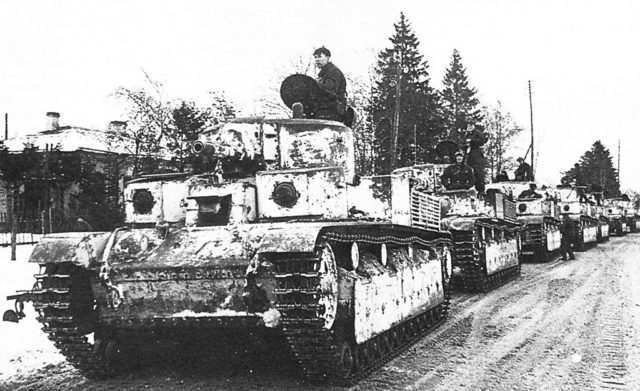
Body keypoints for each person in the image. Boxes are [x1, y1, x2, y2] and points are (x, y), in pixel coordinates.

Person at [313, 46, 347, 120]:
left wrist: (315, 85)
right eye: (315, 57)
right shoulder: (324, 74)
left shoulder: (333, 72)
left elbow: (329, 91)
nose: (317, 59)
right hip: (325, 108)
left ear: (327, 58)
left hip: (332, 110)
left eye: (319, 56)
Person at [464, 124, 487, 193]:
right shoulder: (466, 134)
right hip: (468, 155)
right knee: (467, 171)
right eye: (468, 126)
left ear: (473, 126)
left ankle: (481, 190)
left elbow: (481, 141)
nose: (469, 127)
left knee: (478, 172)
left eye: (471, 125)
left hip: (476, 154)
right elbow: (462, 143)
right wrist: (465, 145)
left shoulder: (478, 133)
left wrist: (471, 141)